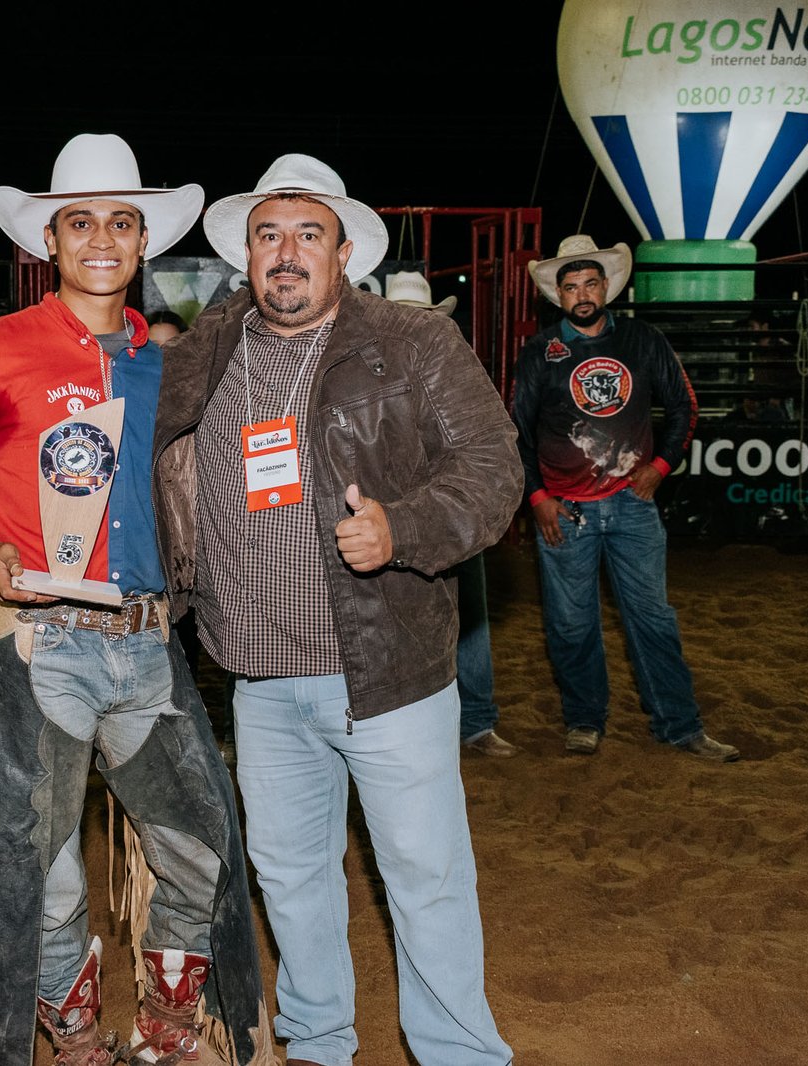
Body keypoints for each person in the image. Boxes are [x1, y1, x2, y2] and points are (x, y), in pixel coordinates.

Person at [0, 133, 268, 1066]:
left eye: (121, 222)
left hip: (148, 642)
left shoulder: (167, 366)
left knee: (204, 845)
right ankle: (76, 1031)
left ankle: (169, 1023)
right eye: (80, 222)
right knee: (39, 868)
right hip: (33, 644)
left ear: (142, 241)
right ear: (49, 241)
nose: (102, 239)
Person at [155, 155, 517, 1065]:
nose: (287, 253)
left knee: (425, 877)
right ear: (246, 253)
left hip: (385, 671)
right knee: (289, 878)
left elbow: (493, 468)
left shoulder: (414, 341)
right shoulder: (205, 349)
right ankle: (318, 1044)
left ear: (344, 251)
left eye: (308, 234)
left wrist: (404, 528)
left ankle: (459, 1054)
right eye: (268, 235)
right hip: (257, 679)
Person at [513, 235, 739, 762]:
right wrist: (537, 496)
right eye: (571, 287)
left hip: (632, 504)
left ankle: (679, 724)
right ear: (559, 296)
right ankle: (584, 719)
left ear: (606, 286)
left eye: (590, 283)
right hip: (565, 511)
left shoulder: (642, 339)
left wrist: (659, 467)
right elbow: (516, 430)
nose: (582, 294)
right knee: (571, 624)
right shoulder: (540, 352)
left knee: (653, 617)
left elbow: (683, 406)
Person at [385, 270, 518, 759]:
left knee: (472, 616)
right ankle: (411, 722)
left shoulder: (448, 366)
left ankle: (477, 721)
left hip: (451, 511)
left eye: (419, 317)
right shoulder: (369, 371)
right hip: (394, 518)